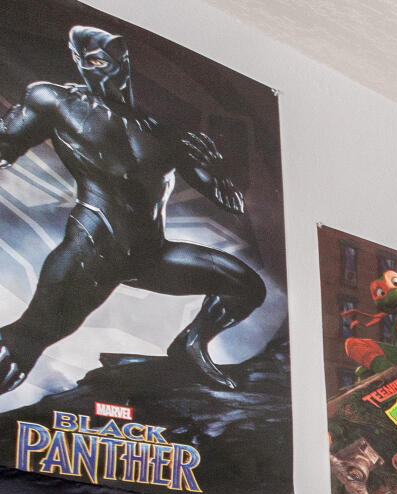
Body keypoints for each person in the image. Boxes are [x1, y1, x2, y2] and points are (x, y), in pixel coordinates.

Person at [0, 25, 266, 392]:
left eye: (116, 59)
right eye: (96, 59)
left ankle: (190, 347)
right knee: (19, 349)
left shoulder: (160, 131)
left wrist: (220, 175)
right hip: (92, 252)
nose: (109, 69)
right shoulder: (57, 101)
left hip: (150, 256)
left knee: (246, 287)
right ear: (78, 61)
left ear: (125, 62)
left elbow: (231, 202)